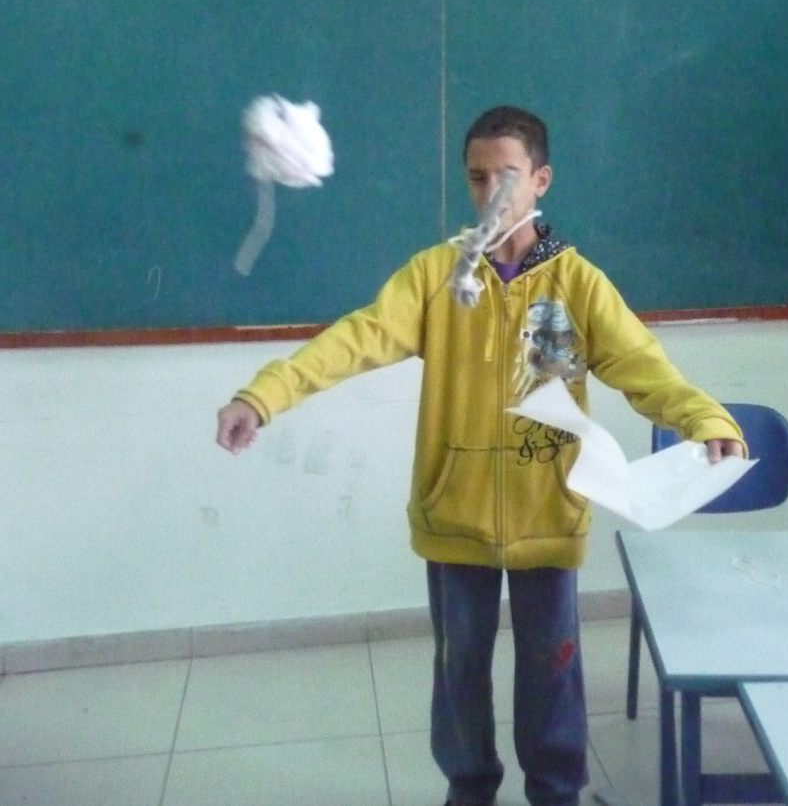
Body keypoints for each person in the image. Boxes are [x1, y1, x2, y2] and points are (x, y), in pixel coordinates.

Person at [216, 105, 746, 806]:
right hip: (455, 514)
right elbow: (354, 339)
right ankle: (470, 789)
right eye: (476, 177)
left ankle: (555, 792)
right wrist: (263, 396)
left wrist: (704, 419)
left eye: (508, 175)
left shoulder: (577, 284)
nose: (491, 190)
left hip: (547, 514)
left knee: (552, 667)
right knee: (459, 666)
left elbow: (644, 368)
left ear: (541, 180)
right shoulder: (438, 275)